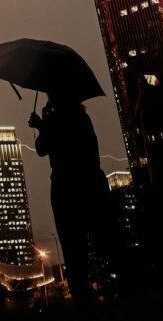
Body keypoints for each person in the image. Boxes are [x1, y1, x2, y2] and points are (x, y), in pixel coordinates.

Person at [29, 93, 107, 300]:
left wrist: (42, 124)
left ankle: (83, 297)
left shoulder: (64, 119)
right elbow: (44, 147)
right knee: (95, 244)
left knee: (73, 247)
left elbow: (47, 146)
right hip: (90, 184)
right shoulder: (81, 117)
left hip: (69, 187)